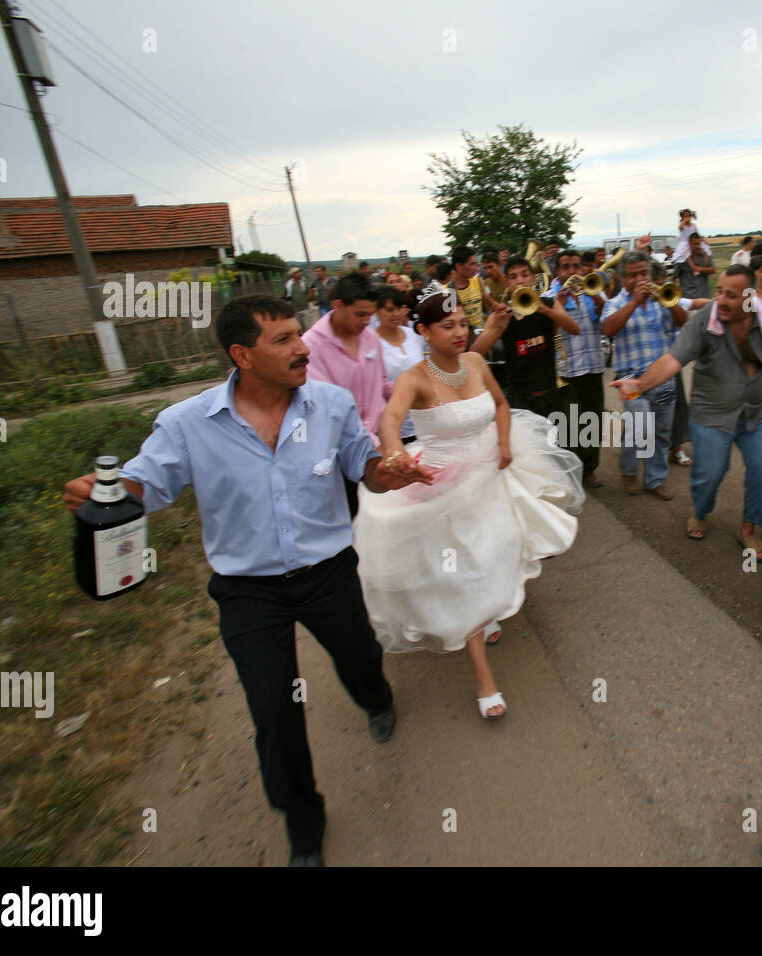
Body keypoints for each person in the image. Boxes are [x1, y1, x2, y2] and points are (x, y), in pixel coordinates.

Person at [62, 293, 432, 867]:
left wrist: (391, 470)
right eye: (282, 339)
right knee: (273, 713)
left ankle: (375, 697)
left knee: (360, 656)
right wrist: (99, 492)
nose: (301, 346)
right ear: (242, 354)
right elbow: (143, 487)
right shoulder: (187, 425)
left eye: (297, 333)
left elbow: (366, 470)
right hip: (248, 590)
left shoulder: (330, 406)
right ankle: (304, 825)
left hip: (329, 572)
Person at [356, 291, 584, 720]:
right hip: (444, 489)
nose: (460, 332)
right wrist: (394, 455)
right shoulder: (414, 379)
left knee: (501, 549)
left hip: (491, 477)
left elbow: (500, 404)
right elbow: (390, 420)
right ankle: (484, 677)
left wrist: (502, 443)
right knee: (467, 570)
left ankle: (486, 609)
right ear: (423, 331)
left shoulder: (477, 364)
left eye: (463, 323)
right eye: (448, 326)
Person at [613, 265, 762, 556]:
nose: (722, 300)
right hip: (712, 413)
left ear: (749, 297)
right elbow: (672, 360)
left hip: (755, 411)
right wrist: (640, 385)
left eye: (731, 295)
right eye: (719, 291)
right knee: (709, 474)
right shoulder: (705, 321)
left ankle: (748, 529)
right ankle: (700, 511)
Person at [602, 251, 689, 498]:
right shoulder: (616, 303)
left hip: (663, 378)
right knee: (639, 428)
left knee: (661, 432)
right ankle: (628, 471)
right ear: (622, 278)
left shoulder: (662, 296)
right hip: (630, 380)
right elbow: (608, 329)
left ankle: (655, 480)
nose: (639, 279)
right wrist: (633, 302)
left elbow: (683, 323)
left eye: (643, 273)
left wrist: (670, 304)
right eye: (632, 275)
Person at [302, 273, 389, 518]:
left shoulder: (371, 338)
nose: (366, 321)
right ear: (338, 305)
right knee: (351, 518)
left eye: (370, 315)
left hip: (379, 445)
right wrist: (373, 445)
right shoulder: (312, 346)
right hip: (340, 453)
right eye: (360, 314)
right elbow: (328, 409)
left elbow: (382, 385)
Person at [471, 255, 579, 417]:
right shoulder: (501, 314)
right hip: (519, 397)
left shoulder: (548, 304)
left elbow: (575, 329)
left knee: (555, 441)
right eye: (513, 277)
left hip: (549, 391)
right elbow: (474, 354)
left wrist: (544, 310)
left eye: (524, 275)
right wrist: (497, 329)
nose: (520, 281)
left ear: (533, 279)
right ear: (507, 282)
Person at [549, 249, 608, 487]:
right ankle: (572, 470)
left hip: (593, 368)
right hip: (566, 371)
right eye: (566, 267)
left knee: (593, 421)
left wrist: (598, 299)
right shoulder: (548, 296)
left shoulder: (592, 290)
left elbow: (608, 325)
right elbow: (547, 333)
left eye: (576, 266)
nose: (572, 272)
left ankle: (589, 469)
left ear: (583, 269)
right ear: (557, 271)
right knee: (570, 426)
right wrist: (558, 306)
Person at [375, 286, 426, 446]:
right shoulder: (372, 343)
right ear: (377, 311)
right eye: (389, 310)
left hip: (423, 419)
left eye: (398, 308)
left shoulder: (411, 334)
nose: (396, 314)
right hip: (396, 424)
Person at [450, 245, 499, 339]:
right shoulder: (448, 290)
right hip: (464, 337)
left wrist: (502, 308)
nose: (476, 268)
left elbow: (490, 303)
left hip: (482, 332)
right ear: (459, 266)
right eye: (472, 264)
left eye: (477, 265)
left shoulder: (478, 281)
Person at [676, 233, 716, 299]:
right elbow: (675, 276)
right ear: (689, 244)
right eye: (694, 244)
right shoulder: (682, 259)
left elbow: (713, 270)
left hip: (704, 296)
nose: (697, 246)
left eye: (698, 244)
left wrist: (700, 269)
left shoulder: (705, 254)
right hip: (689, 298)